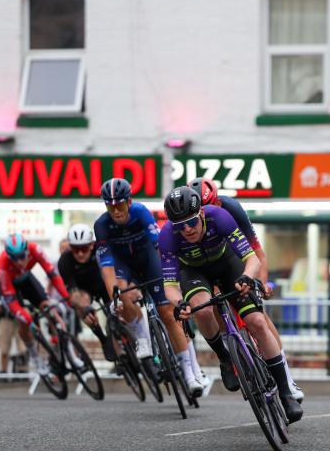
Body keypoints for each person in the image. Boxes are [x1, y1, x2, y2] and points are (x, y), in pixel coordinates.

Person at [160, 186, 302, 423]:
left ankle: (286, 392)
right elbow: (170, 285)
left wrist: (248, 277)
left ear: (202, 214)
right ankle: (225, 358)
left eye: (191, 222)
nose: (186, 229)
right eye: (179, 225)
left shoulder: (220, 217)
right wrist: (179, 303)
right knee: (202, 309)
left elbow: (251, 258)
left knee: (257, 321)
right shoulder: (167, 236)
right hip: (194, 272)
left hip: (228, 265)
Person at [95, 179, 206, 396]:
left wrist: (170, 282)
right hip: (123, 265)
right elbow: (106, 266)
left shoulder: (141, 212)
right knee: (120, 295)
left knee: (167, 313)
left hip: (149, 260)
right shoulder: (101, 225)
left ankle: (190, 373)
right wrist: (115, 297)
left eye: (119, 205)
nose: (116, 211)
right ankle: (142, 337)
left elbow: (159, 248)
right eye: (110, 206)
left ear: (129, 201)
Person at [0, 232, 71, 376]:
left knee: (48, 307)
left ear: (27, 250)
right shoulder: (2, 263)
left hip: (24, 278)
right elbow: (10, 299)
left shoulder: (35, 249)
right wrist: (26, 318)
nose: (19, 262)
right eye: (14, 259)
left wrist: (68, 298)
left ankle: (68, 349)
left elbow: (53, 275)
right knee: (24, 319)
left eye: (22, 256)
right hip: (7, 284)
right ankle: (35, 357)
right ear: (8, 255)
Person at [58, 224, 116, 361]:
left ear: (91, 245)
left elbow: (114, 273)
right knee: (83, 309)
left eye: (83, 248)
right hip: (83, 292)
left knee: (116, 312)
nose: (79, 253)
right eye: (75, 249)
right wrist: (84, 308)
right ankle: (102, 338)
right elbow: (73, 293)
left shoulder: (100, 250)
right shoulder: (65, 261)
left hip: (102, 285)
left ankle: (119, 337)